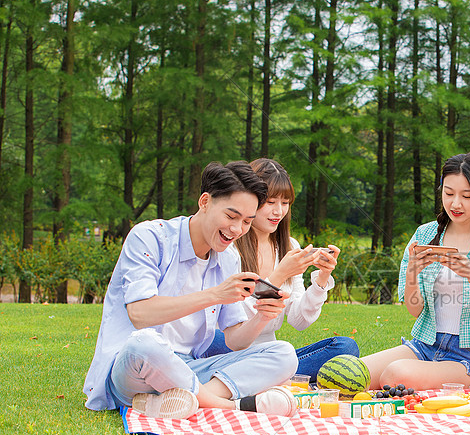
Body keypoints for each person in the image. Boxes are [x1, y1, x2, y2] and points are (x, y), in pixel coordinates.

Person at [83, 161, 299, 419]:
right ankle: (227, 406)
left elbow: (234, 340)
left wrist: (261, 316)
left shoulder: (227, 258)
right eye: (231, 216)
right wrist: (215, 295)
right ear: (205, 202)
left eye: (246, 221)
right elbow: (140, 314)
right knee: (145, 342)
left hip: (190, 368)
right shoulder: (150, 237)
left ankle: (179, 400)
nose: (237, 229)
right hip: (134, 369)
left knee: (284, 353)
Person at [360, 152, 470, 390]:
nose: (456, 204)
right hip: (424, 346)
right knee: (352, 372)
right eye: (448, 193)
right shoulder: (424, 234)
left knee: (394, 374)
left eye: (466, 196)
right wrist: (412, 274)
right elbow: (415, 310)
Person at [204, 158, 359, 379]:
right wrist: (278, 276)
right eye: (271, 202)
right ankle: (270, 376)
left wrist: (322, 279)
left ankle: (263, 376)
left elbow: (299, 320)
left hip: (272, 354)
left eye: (285, 203)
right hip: (229, 349)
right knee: (215, 340)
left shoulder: (289, 246)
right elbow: (233, 324)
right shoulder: (229, 245)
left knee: (345, 348)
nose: (278, 211)